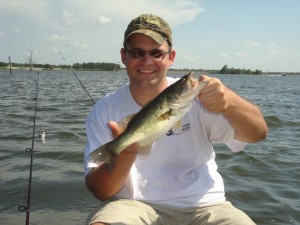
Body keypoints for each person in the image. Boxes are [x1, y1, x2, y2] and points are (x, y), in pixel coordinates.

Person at [84, 13, 268, 225]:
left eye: (156, 53)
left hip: (205, 205)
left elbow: (258, 134)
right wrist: (125, 152)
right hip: (132, 205)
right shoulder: (105, 109)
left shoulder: (201, 101)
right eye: (137, 52)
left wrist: (231, 103)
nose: (146, 61)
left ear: (171, 58)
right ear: (124, 56)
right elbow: (101, 191)